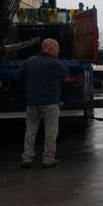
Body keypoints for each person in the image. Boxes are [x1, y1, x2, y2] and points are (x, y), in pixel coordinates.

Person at [16, 38, 68, 168]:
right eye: (57, 48)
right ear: (50, 49)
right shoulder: (53, 63)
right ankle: (48, 159)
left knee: (31, 130)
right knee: (51, 131)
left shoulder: (29, 61)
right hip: (50, 102)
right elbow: (65, 72)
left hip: (32, 102)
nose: (59, 50)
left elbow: (18, 77)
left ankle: (27, 158)